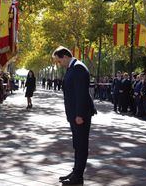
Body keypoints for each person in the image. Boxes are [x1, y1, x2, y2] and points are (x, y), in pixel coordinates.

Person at [52, 46, 96, 186]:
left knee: (81, 145)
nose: (59, 63)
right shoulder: (72, 68)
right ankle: (76, 171)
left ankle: (78, 177)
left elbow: (81, 94)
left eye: (59, 61)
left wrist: (79, 114)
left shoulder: (78, 68)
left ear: (64, 56)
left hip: (79, 115)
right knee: (77, 144)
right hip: (74, 114)